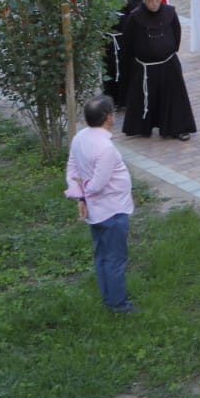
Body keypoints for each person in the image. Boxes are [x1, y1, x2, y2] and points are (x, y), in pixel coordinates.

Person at [64, 95, 137, 314]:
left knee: (102, 256)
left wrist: (80, 196)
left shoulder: (79, 138)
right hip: (112, 209)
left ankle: (109, 298)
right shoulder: (105, 148)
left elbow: (72, 168)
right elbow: (98, 183)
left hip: (96, 210)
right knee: (115, 258)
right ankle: (118, 305)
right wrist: (87, 192)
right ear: (108, 117)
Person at [120, 0, 197, 141]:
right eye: (150, 0)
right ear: (144, 1)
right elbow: (128, 41)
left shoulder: (169, 12)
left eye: (157, 0)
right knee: (143, 99)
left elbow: (177, 33)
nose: (154, 4)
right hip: (145, 67)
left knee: (174, 98)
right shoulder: (135, 17)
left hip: (168, 63)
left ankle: (178, 128)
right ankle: (141, 127)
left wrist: (168, 49)